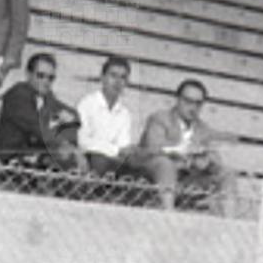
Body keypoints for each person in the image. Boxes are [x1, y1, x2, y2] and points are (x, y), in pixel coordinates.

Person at [126, 78, 233, 213]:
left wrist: (206, 161)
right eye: (188, 101)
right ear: (177, 99)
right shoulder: (160, 118)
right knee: (165, 163)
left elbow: (214, 157)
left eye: (198, 104)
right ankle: (169, 214)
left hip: (185, 180)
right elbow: (153, 147)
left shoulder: (202, 128)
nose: (193, 108)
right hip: (151, 176)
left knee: (227, 173)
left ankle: (230, 219)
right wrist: (183, 153)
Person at [0, 53, 81, 174]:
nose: (46, 81)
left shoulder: (47, 97)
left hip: (31, 159)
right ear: (28, 74)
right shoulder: (18, 94)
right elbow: (37, 127)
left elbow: (72, 115)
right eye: (40, 76)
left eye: (50, 78)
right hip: (7, 160)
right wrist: (63, 140)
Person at [76, 53, 137, 181]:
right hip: (90, 161)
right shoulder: (87, 104)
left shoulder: (124, 113)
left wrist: (118, 151)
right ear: (103, 77)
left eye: (123, 77)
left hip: (113, 163)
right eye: (113, 75)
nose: (118, 82)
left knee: (135, 168)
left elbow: (124, 147)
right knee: (99, 160)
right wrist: (115, 150)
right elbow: (82, 141)